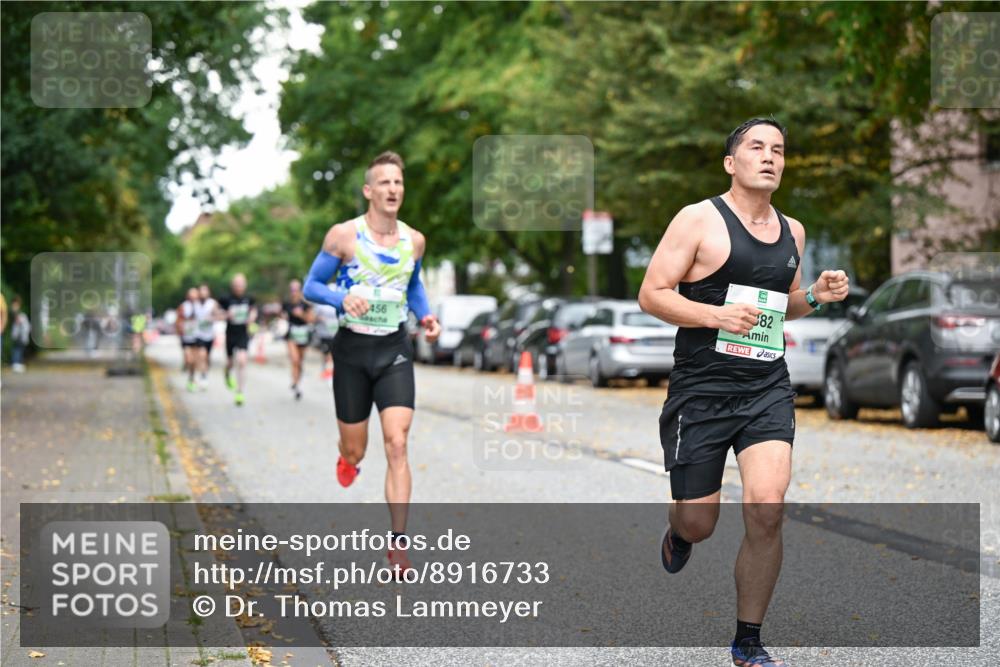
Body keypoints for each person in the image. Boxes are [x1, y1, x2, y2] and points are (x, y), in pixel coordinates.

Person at [638, 118, 850, 667]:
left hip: (765, 388)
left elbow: (783, 307)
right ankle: (678, 531)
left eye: (778, 149)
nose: (770, 156)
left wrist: (817, 296)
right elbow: (652, 294)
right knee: (699, 523)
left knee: (767, 509)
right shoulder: (698, 220)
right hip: (701, 392)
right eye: (756, 147)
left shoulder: (793, 231)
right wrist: (715, 315)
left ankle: (748, 640)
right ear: (731, 163)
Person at [303, 151, 441, 576]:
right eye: (384, 183)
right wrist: (339, 297)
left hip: (394, 349)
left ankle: (398, 545)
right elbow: (311, 285)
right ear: (368, 190)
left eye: (398, 183)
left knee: (397, 443)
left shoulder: (413, 241)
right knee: (356, 447)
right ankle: (348, 459)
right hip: (351, 350)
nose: (392, 189)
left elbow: (412, 284)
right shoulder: (343, 237)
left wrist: (426, 314)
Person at [217, 274, 257, 406]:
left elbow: (254, 310)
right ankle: (227, 373)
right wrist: (225, 315)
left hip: (243, 334)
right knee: (230, 362)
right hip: (230, 334)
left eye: (241, 285)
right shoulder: (226, 299)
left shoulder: (249, 298)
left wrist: (251, 316)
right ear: (232, 286)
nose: (239, 287)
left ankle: (240, 392)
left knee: (242, 361)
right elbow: (216, 313)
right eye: (236, 285)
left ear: (245, 285)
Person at [282, 279, 314, 400]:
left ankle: (297, 384)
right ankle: (294, 383)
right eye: (292, 290)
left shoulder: (305, 304)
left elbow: (312, 319)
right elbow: (282, 315)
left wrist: (301, 315)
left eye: (296, 289)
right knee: (294, 360)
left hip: (304, 334)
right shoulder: (287, 304)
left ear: (300, 290)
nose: (294, 292)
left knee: (300, 362)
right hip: (292, 335)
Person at [177, 287, 201, 391]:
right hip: (186, 336)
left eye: (195, 296)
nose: (193, 298)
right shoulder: (183, 307)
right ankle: (186, 364)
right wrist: (180, 329)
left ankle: (191, 378)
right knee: (188, 358)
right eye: (191, 296)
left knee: (194, 361)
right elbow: (178, 321)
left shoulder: (200, 307)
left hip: (196, 336)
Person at [195, 284, 217, 389]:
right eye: (201, 291)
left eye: (205, 291)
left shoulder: (212, 303)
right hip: (198, 334)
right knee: (202, 355)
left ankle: (205, 373)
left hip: (209, 334)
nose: (203, 293)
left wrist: (212, 317)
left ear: (208, 292)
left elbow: (218, 315)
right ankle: (203, 376)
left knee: (207, 357)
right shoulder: (195, 304)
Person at [314, 303, 339, 380]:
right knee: (325, 353)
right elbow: (313, 317)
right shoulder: (320, 304)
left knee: (332, 352)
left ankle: (331, 371)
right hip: (323, 333)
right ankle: (325, 369)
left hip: (335, 333)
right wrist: (320, 318)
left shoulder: (336, 302)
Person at [9, 296, 31, 373]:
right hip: (18, 335)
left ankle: (17, 364)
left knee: (19, 350)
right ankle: (15, 364)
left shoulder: (20, 313)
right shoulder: (14, 312)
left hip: (21, 335)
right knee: (17, 350)